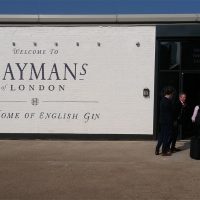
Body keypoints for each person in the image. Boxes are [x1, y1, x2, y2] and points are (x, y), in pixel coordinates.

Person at [155, 86, 174, 156]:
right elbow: (169, 113)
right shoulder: (168, 101)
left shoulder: (162, 100)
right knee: (166, 136)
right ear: (170, 94)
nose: (172, 96)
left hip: (162, 121)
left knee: (161, 136)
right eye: (172, 94)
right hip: (167, 122)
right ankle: (164, 151)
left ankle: (157, 149)